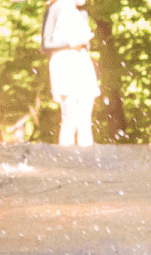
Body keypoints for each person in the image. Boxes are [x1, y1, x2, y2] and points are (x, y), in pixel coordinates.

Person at [41, 0, 98, 146]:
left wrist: (85, 39)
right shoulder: (54, 9)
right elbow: (45, 44)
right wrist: (71, 42)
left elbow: (86, 44)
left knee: (85, 118)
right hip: (63, 62)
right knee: (70, 117)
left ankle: (87, 163)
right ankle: (66, 162)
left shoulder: (82, 13)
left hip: (82, 60)